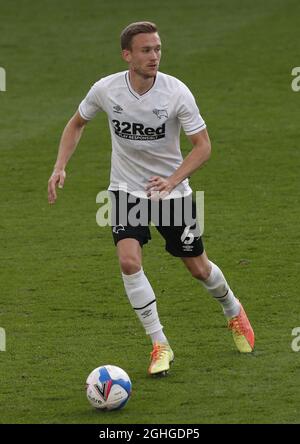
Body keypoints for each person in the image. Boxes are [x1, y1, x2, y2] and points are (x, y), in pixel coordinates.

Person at [48, 21, 255, 377]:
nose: (154, 56)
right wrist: (60, 166)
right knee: (129, 262)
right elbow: (77, 123)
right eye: (146, 50)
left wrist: (172, 181)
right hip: (126, 191)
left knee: (199, 268)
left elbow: (203, 147)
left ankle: (233, 310)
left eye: (157, 49)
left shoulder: (176, 93)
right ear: (127, 55)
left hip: (173, 194)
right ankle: (160, 343)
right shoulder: (106, 89)